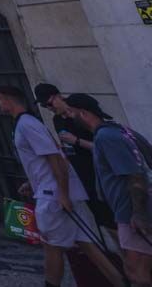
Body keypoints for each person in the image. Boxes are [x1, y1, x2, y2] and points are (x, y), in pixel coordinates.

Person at [0, 85, 117, 287]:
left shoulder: (27, 124)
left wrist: (62, 194)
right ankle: (120, 281)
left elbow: (56, 158)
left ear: (9, 100)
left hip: (52, 195)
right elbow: (46, 159)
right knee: (88, 244)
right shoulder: (25, 124)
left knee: (51, 245)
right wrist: (31, 182)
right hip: (52, 189)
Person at [65, 93, 152, 287]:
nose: (69, 116)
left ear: (84, 113)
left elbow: (135, 176)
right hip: (131, 209)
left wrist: (139, 214)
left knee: (136, 272)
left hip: (133, 210)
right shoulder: (119, 131)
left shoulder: (106, 137)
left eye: (71, 112)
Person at [37, 83, 115, 229]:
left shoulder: (81, 116)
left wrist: (77, 141)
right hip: (83, 177)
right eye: (44, 106)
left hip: (101, 174)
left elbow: (102, 146)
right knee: (104, 222)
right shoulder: (57, 120)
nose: (50, 108)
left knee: (116, 220)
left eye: (49, 103)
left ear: (59, 96)